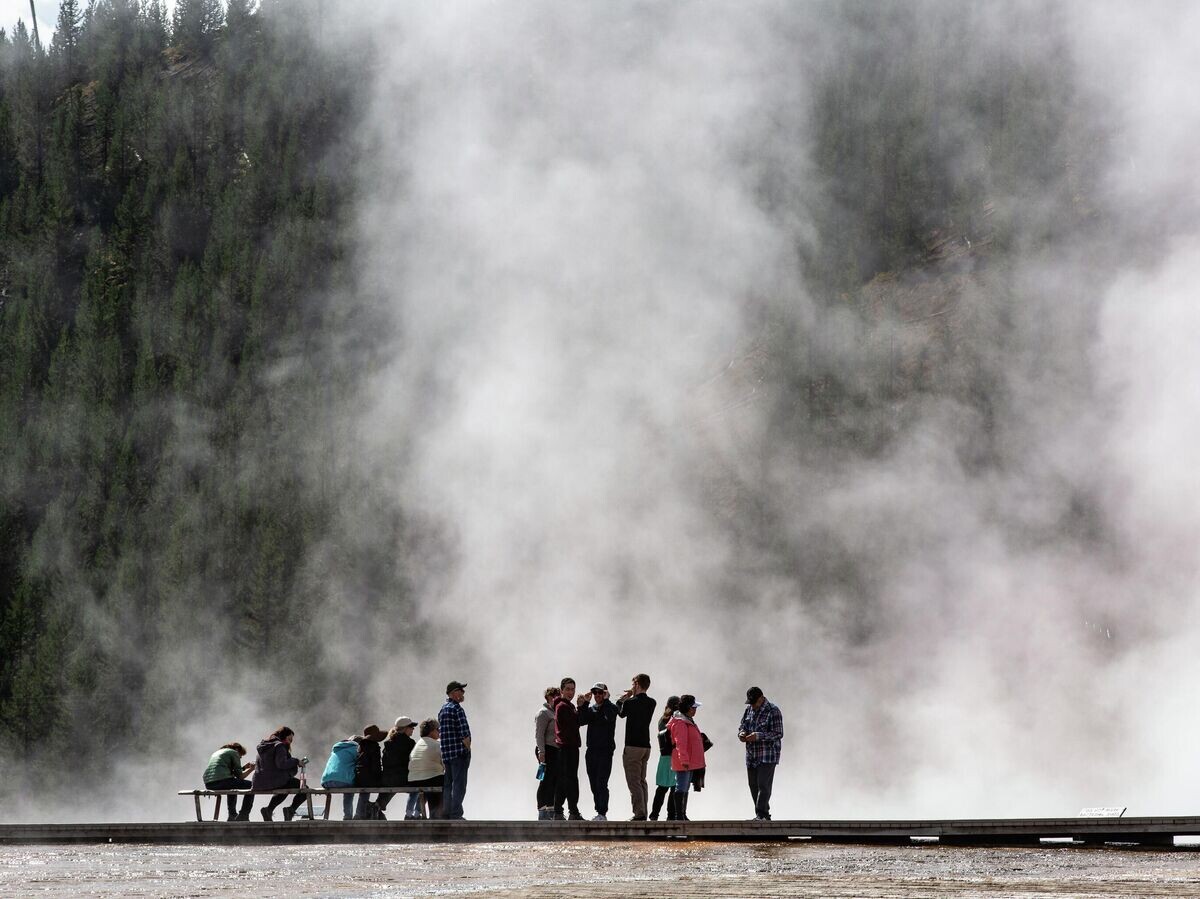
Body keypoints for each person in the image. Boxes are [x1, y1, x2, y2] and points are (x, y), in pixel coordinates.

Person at [738, 686, 784, 821]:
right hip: (752, 755)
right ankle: (763, 815)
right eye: (750, 702)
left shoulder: (773, 710)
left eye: (755, 702)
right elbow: (742, 726)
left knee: (763, 784)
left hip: (767, 755)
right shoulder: (749, 710)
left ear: (762, 698)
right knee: (753, 785)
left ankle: (762, 814)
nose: (753, 705)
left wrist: (758, 736)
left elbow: (778, 733)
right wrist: (741, 733)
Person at [616, 673, 656, 820]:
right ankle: (644, 811)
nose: (632, 687)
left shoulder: (630, 703)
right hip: (646, 746)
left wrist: (622, 699)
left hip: (632, 746)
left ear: (637, 684)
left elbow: (620, 713)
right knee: (642, 780)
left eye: (633, 684)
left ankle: (639, 813)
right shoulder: (652, 702)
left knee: (633, 782)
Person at [576, 682, 618, 821]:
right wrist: (584, 705)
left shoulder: (611, 708)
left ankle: (602, 812)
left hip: (605, 751)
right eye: (595, 693)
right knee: (593, 782)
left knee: (601, 782)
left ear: (605, 693)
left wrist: (606, 701)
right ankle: (598, 811)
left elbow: (609, 717)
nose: (597, 695)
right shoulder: (591, 708)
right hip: (591, 751)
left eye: (600, 693)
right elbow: (581, 721)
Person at [252, 726, 308, 821]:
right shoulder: (280, 746)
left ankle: (268, 810)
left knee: (285, 786)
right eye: (289, 739)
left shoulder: (265, 747)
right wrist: (296, 761)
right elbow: (281, 764)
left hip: (259, 783)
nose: (290, 742)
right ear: (284, 736)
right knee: (305, 790)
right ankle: (290, 810)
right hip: (273, 780)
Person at [667, 695, 705, 822]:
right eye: (694, 707)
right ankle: (679, 816)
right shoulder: (680, 722)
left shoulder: (686, 720)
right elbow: (680, 743)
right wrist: (684, 760)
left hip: (689, 761)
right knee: (681, 787)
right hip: (684, 762)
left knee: (685, 788)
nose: (695, 710)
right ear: (688, 708)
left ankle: (682, 814)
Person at [438, 680, 471, 820]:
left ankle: (446, 812)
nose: (463, 693)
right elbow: (464, 734)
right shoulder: (457, 709)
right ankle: (456, 814)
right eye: (460, 690)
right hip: (459, 754)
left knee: (448, 786)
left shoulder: (442, 709)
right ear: (453, 693)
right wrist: (467, 749)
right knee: (459, 785)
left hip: (446, 755)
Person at [552, 677, 583, 820]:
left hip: (570, 747)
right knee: (567, 780)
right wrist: (583, 706)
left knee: (569, 779)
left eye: (573, 689)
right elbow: (578, 721)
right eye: (568, 689)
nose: (571, 692)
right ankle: (565, 811)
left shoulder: (567, 705)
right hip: (566, 747)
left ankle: (568, 810)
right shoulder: (563, 706)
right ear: (562, 690)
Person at [202, 741, 256, 822]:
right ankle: (244, 815)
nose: (240, 757)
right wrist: (252, 769)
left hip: (209, 783)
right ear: (237, 750)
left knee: (232, 784)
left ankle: (232, 815)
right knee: (251, 785)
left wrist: (244, 768)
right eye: (241, 755)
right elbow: (240, 776)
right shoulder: (234, 752)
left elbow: (228, 772)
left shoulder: (218, 752)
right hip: (222, 781)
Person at [378, 716, 417, 818]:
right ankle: (412, 814)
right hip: (403, 779)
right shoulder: (410, 743)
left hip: (387, 779)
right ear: (404, 728)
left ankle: (376, 807)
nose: (413, 729)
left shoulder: (388, 744)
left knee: (391, 783)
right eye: (411, 727)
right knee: (420, 785)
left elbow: (384, 762)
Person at [649, 696, 681, 821]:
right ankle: (671, 816)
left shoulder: (662, 719)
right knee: (674, 788)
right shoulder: (676, 720)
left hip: (664, 757)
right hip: (674, 756)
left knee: (662, 788)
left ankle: (654, 815)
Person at [408, 718, 445, 818]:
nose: (440, 732)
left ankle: (421, 814)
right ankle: (438, 815)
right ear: (432, 731)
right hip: (429, 779)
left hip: (413, 780)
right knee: (448, 782)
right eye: (438, 730)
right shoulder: (437, 745)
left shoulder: (417, 744)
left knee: (432, 779)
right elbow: (445, 765)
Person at [535, 686, 561, 820]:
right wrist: (541, 751)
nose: (557, 698)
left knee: (554, 780)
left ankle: (551, 808)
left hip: (556, 749)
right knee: (545, 779)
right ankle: (542, 808)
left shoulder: (556, 712)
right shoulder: (543, 712)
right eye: (555, 696)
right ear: (549, 697)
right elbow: (539, 734)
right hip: (546, 748)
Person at [319, 735, 360, 820]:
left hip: (326, 781)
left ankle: (328, 816)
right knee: (350, 789)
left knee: (347, 782)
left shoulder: (337, 749)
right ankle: (347, 816)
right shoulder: (356, 749)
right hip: (342, 780)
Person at [353, 724, 386, 819]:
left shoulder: (360, 747)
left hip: (359, 779)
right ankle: (376, 807)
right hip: (369, 779)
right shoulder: (374, 747)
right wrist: (380, 777)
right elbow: (376, 766)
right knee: (387, 784)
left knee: (364, 790)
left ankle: (359, 814)